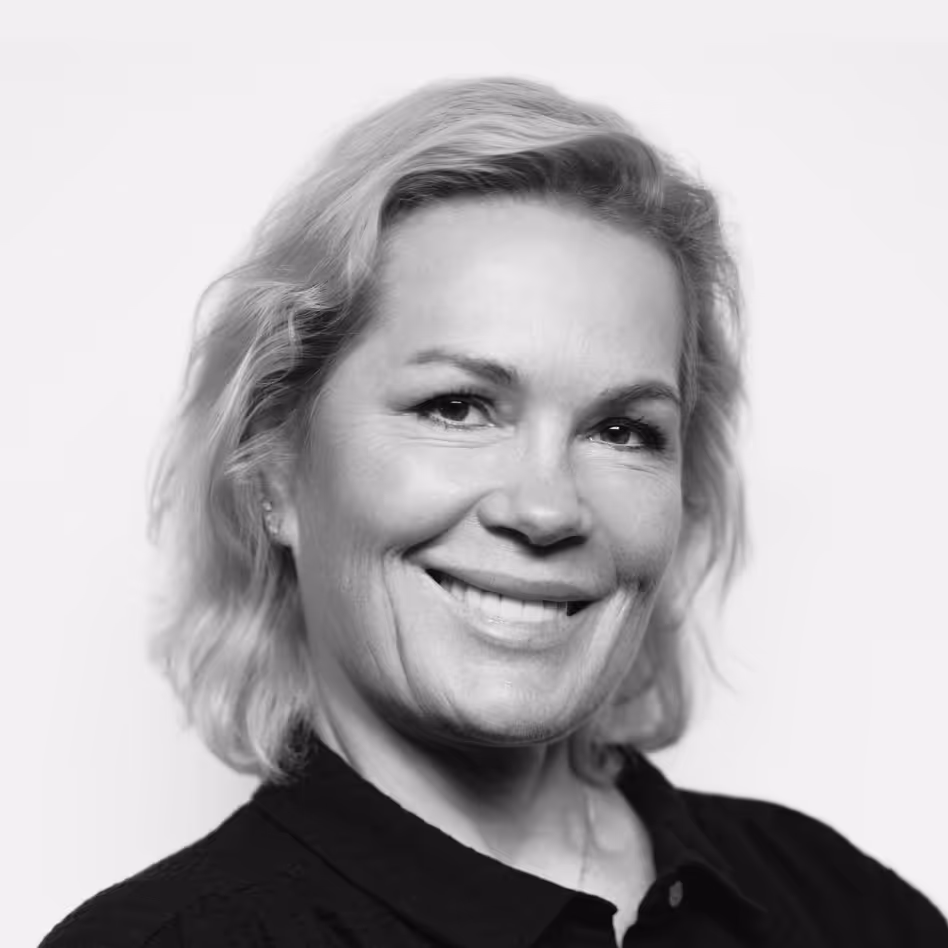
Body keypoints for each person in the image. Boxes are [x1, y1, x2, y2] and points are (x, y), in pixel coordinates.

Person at [40, 76, 947, 948]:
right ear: (274, 472)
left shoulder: (840, 904)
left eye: (623, 430)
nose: (547, 508)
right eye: (456, 407)